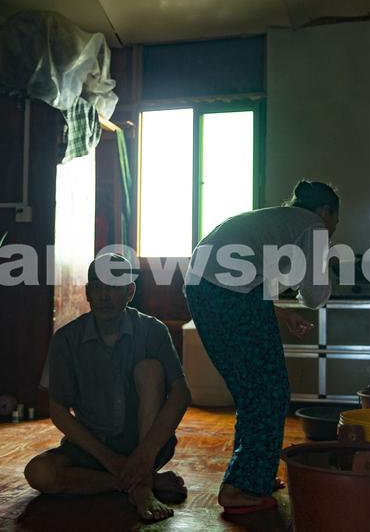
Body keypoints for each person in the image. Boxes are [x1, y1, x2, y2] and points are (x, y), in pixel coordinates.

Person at [184, 180, 339, 514]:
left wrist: (282, 314)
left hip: (203, 289)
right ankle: (240, 487)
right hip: (225, 293)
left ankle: (255, 477)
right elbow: (315, 296)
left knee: (252, 390)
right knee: (269, 391)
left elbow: (248, 282)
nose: (333, 229)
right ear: (325, 211)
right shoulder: (312, 225)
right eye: (335, 222)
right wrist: (325, 259)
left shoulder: (277, 220)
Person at [26, 254, 192, 522]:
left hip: (144, 444)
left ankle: (141, 476)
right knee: (38, 473)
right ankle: (141, 483)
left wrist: (145, 454)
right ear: (87, 292)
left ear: (129, 292)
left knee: (149, 369)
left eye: (114, 287)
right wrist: (110, 461)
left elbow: (181, 394)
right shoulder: (66, 339)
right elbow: (58, 410)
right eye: (97, 287)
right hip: (92, 448)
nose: (104, 296)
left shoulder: (152, 330)